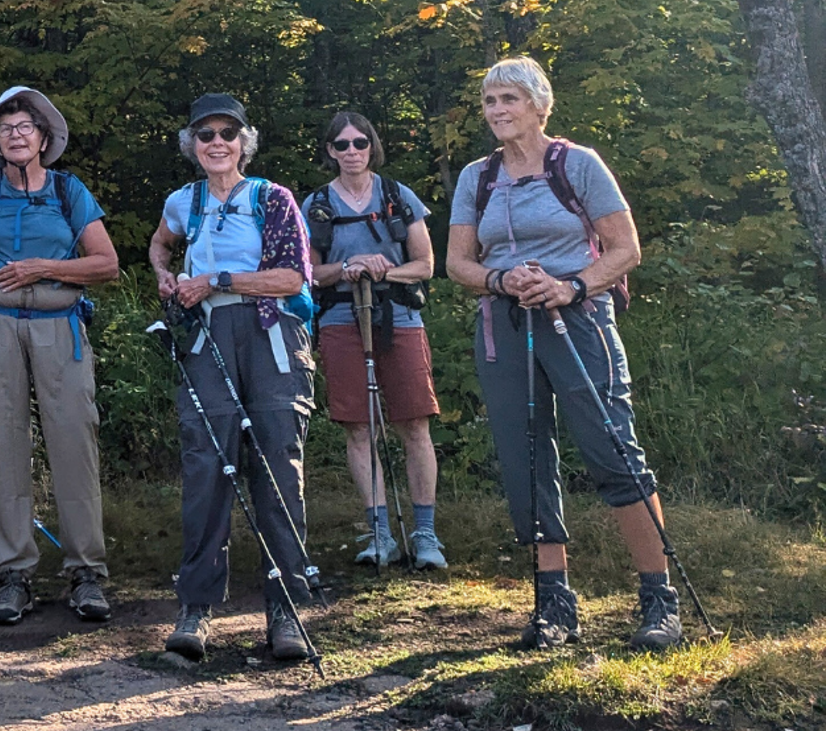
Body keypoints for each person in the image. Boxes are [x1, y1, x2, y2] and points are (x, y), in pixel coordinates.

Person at [445, 55, 679, 650]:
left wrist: (571, 285)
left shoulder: (578, 164)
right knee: (524, 458)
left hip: (578, 318)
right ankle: (554, 606)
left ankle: (659, 601)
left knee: (611, 449)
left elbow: (625, 249)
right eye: (490, 101)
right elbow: (457, 263)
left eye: (509, 99)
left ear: (539, 106)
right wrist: (500, 280)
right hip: (504, 323)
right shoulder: (477, 176)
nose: (497, 110)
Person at [0, 87, 121, 626]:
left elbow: (107, 264)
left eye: (25, 127)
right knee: (4, 446)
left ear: (44, 138)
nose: (16, 136)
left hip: (59, 326)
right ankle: (12, 574)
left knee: (74, 443)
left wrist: (44, 267)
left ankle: (86, 572)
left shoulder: (68, 190)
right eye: (6, 129)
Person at [148, 93, 316, 664]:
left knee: (277, 468)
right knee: (205, 468)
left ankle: (287, 609)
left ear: (245, 141)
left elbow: (292, 278)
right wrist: (164, 273)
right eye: (205, 134)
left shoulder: (273, 198)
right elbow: (160, 243)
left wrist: (216, 279)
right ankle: (195, 608)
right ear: (191, 144)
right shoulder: (183, 201)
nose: (217, 142)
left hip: (272, 338)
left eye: (228, 133)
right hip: (205, 339)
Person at [304, 111, 446, 571]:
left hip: (399, 316)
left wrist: (383, 269)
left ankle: (425, 533)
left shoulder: (397, 195)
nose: (352, 152)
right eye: (342, 144)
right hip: (341, 318)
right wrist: (348, 269)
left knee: (414, 422)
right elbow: (308, 272)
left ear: (372, 145)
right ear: (330, 151)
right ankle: (380, 532)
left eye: (360, 143)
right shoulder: (317, 204)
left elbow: (425, 264)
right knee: (359, 427)